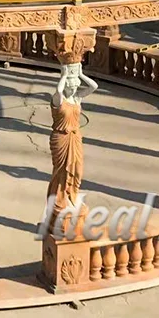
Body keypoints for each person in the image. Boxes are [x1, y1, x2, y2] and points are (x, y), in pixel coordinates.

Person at [46, 63, 97, 213]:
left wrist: (80, 75)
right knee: (60, 171)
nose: (74, 89)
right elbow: (58, 91)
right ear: (66, 86)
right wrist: (63, 76)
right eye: (71, 86)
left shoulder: (77, 99)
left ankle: (71, 195)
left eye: (76, 86)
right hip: (61, 138)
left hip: (75, 137)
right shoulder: (58, 100)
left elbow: (93, 87)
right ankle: (59, 199)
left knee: (77, 170)